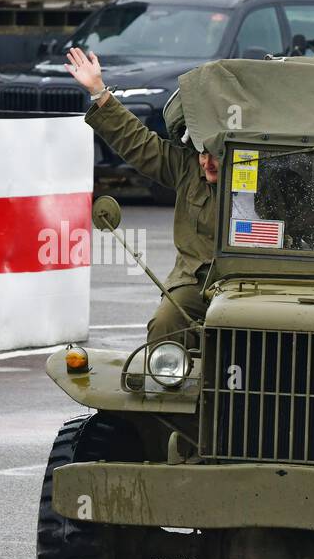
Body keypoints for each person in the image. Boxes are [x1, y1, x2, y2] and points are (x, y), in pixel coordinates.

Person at [65, 47, 217, 348]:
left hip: (255, 283)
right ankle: (165, 389)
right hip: (198, 283)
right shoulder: (187, 169)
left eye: (215, 154)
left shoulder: (267, 178)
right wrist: (99, 92)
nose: (206, 162)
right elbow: (139, 143)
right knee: (166, 324)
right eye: (201, 153)